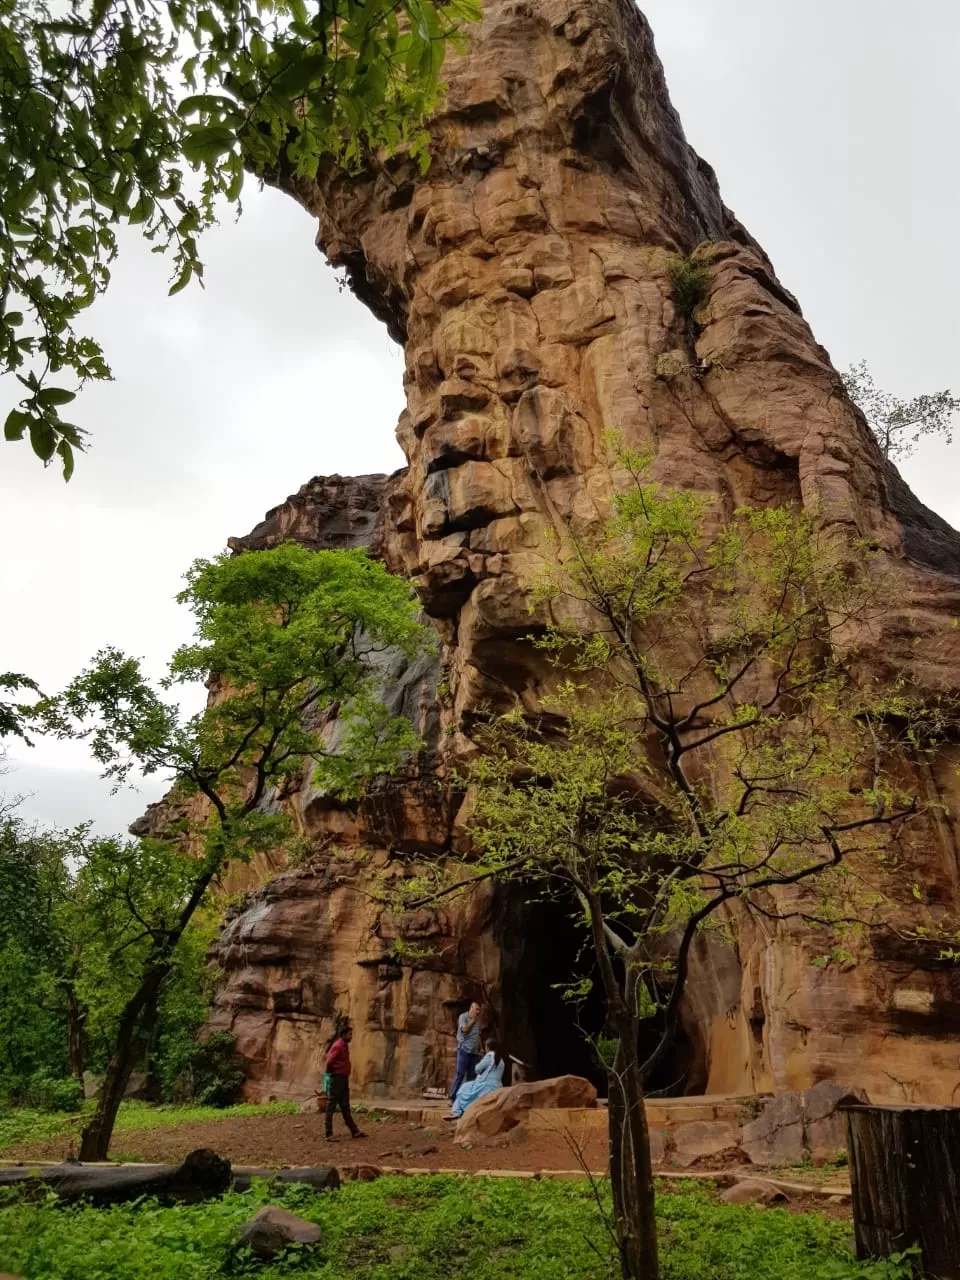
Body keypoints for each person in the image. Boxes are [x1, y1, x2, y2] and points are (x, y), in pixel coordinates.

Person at [324, 1024, 366, 1141]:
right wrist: (331, 1073)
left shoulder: (344, 1046)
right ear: (343, 1034)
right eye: (349, 1034)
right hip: (337, 1078)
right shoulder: (338, 1046)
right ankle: (328, 1133)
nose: (351, 1036)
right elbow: (329, 1061)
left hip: (343, 1078)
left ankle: (354, 1131)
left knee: (345, 1105)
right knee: (331, 1105)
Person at [447, 1037, 505, 1119]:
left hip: (486, 1085)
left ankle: (456, 1111)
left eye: (485, 1047)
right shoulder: (501, 1060)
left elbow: (477, 1068)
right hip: (497, 1086)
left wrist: (481, 1059)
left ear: (488, 1047)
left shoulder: (489, 1056)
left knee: (464, 1088)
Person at [449, 1000, 483, 1103]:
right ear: (471, 1008)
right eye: (476, 1009)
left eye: (479, 1010)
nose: (478, 1012)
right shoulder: (463, 1017)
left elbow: (477, 1035)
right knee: (460, 1074)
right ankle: (452, 1098)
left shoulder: (478, 1020)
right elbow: (464, 1030)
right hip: (464, 1050)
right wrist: (472, 1020)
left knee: (472, 1076)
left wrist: (480, 1048)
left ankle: (467, 1099)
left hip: (474, 1052)